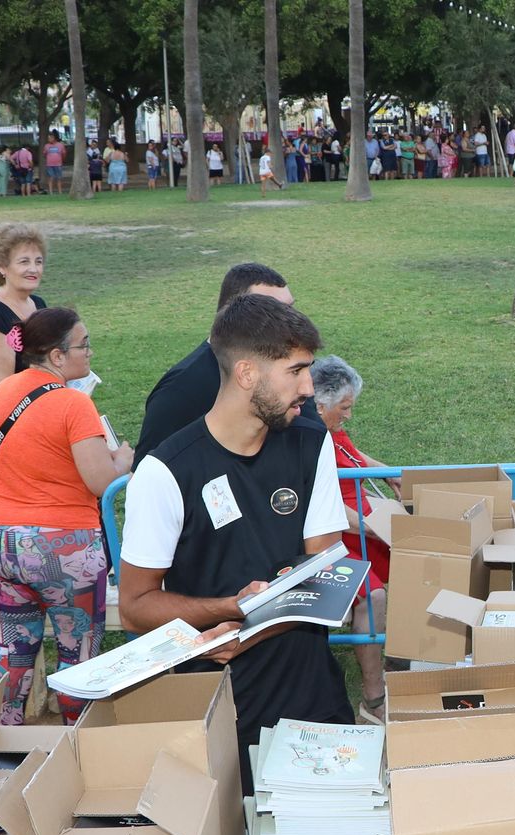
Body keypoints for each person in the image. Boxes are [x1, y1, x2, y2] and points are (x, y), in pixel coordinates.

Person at [119, 293, 353, 794]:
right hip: (217, 713)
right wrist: (227, 609)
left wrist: (251, 630)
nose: (309, 388)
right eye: (296, 371)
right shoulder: (164, 472)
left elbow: (329, 577)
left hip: (313, 697)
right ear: (247, 373)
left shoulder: (312, 445)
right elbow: (134, 608)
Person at [0, 308, 133, 725]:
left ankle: (0, 741)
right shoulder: (73, 403)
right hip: (63, 547)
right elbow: (100, 482)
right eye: (83, 344)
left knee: (14, 647)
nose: (89, 352)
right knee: (77, 654)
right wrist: (122, 460)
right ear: (57, 356)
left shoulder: (5, 391)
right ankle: (73, 750)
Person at [136, 263, 304, 460]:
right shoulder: (179, 391)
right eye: (273, 312)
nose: (290, 321)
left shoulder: (292, 373)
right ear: (234, 313)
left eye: (290, 309)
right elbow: (146, 474)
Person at [311, 355, 396, 724]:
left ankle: (399, 651)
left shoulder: (330, 430)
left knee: (415, 564)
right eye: (343, 408)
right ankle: (373, 697)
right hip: (338, 536)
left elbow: (351, 454)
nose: (347, 415)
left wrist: (391, 473)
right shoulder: (308, 440)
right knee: (373, 597)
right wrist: (373, 525)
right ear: (318, 405)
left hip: (362, 525)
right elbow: (323, 507)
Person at [0, 226, 51, 442]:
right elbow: (1, 385)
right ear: (2, 266)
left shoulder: (38, 304)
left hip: (39, 404)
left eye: (38, 261)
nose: (33, 269)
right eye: (24, 261)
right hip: (8, 417)